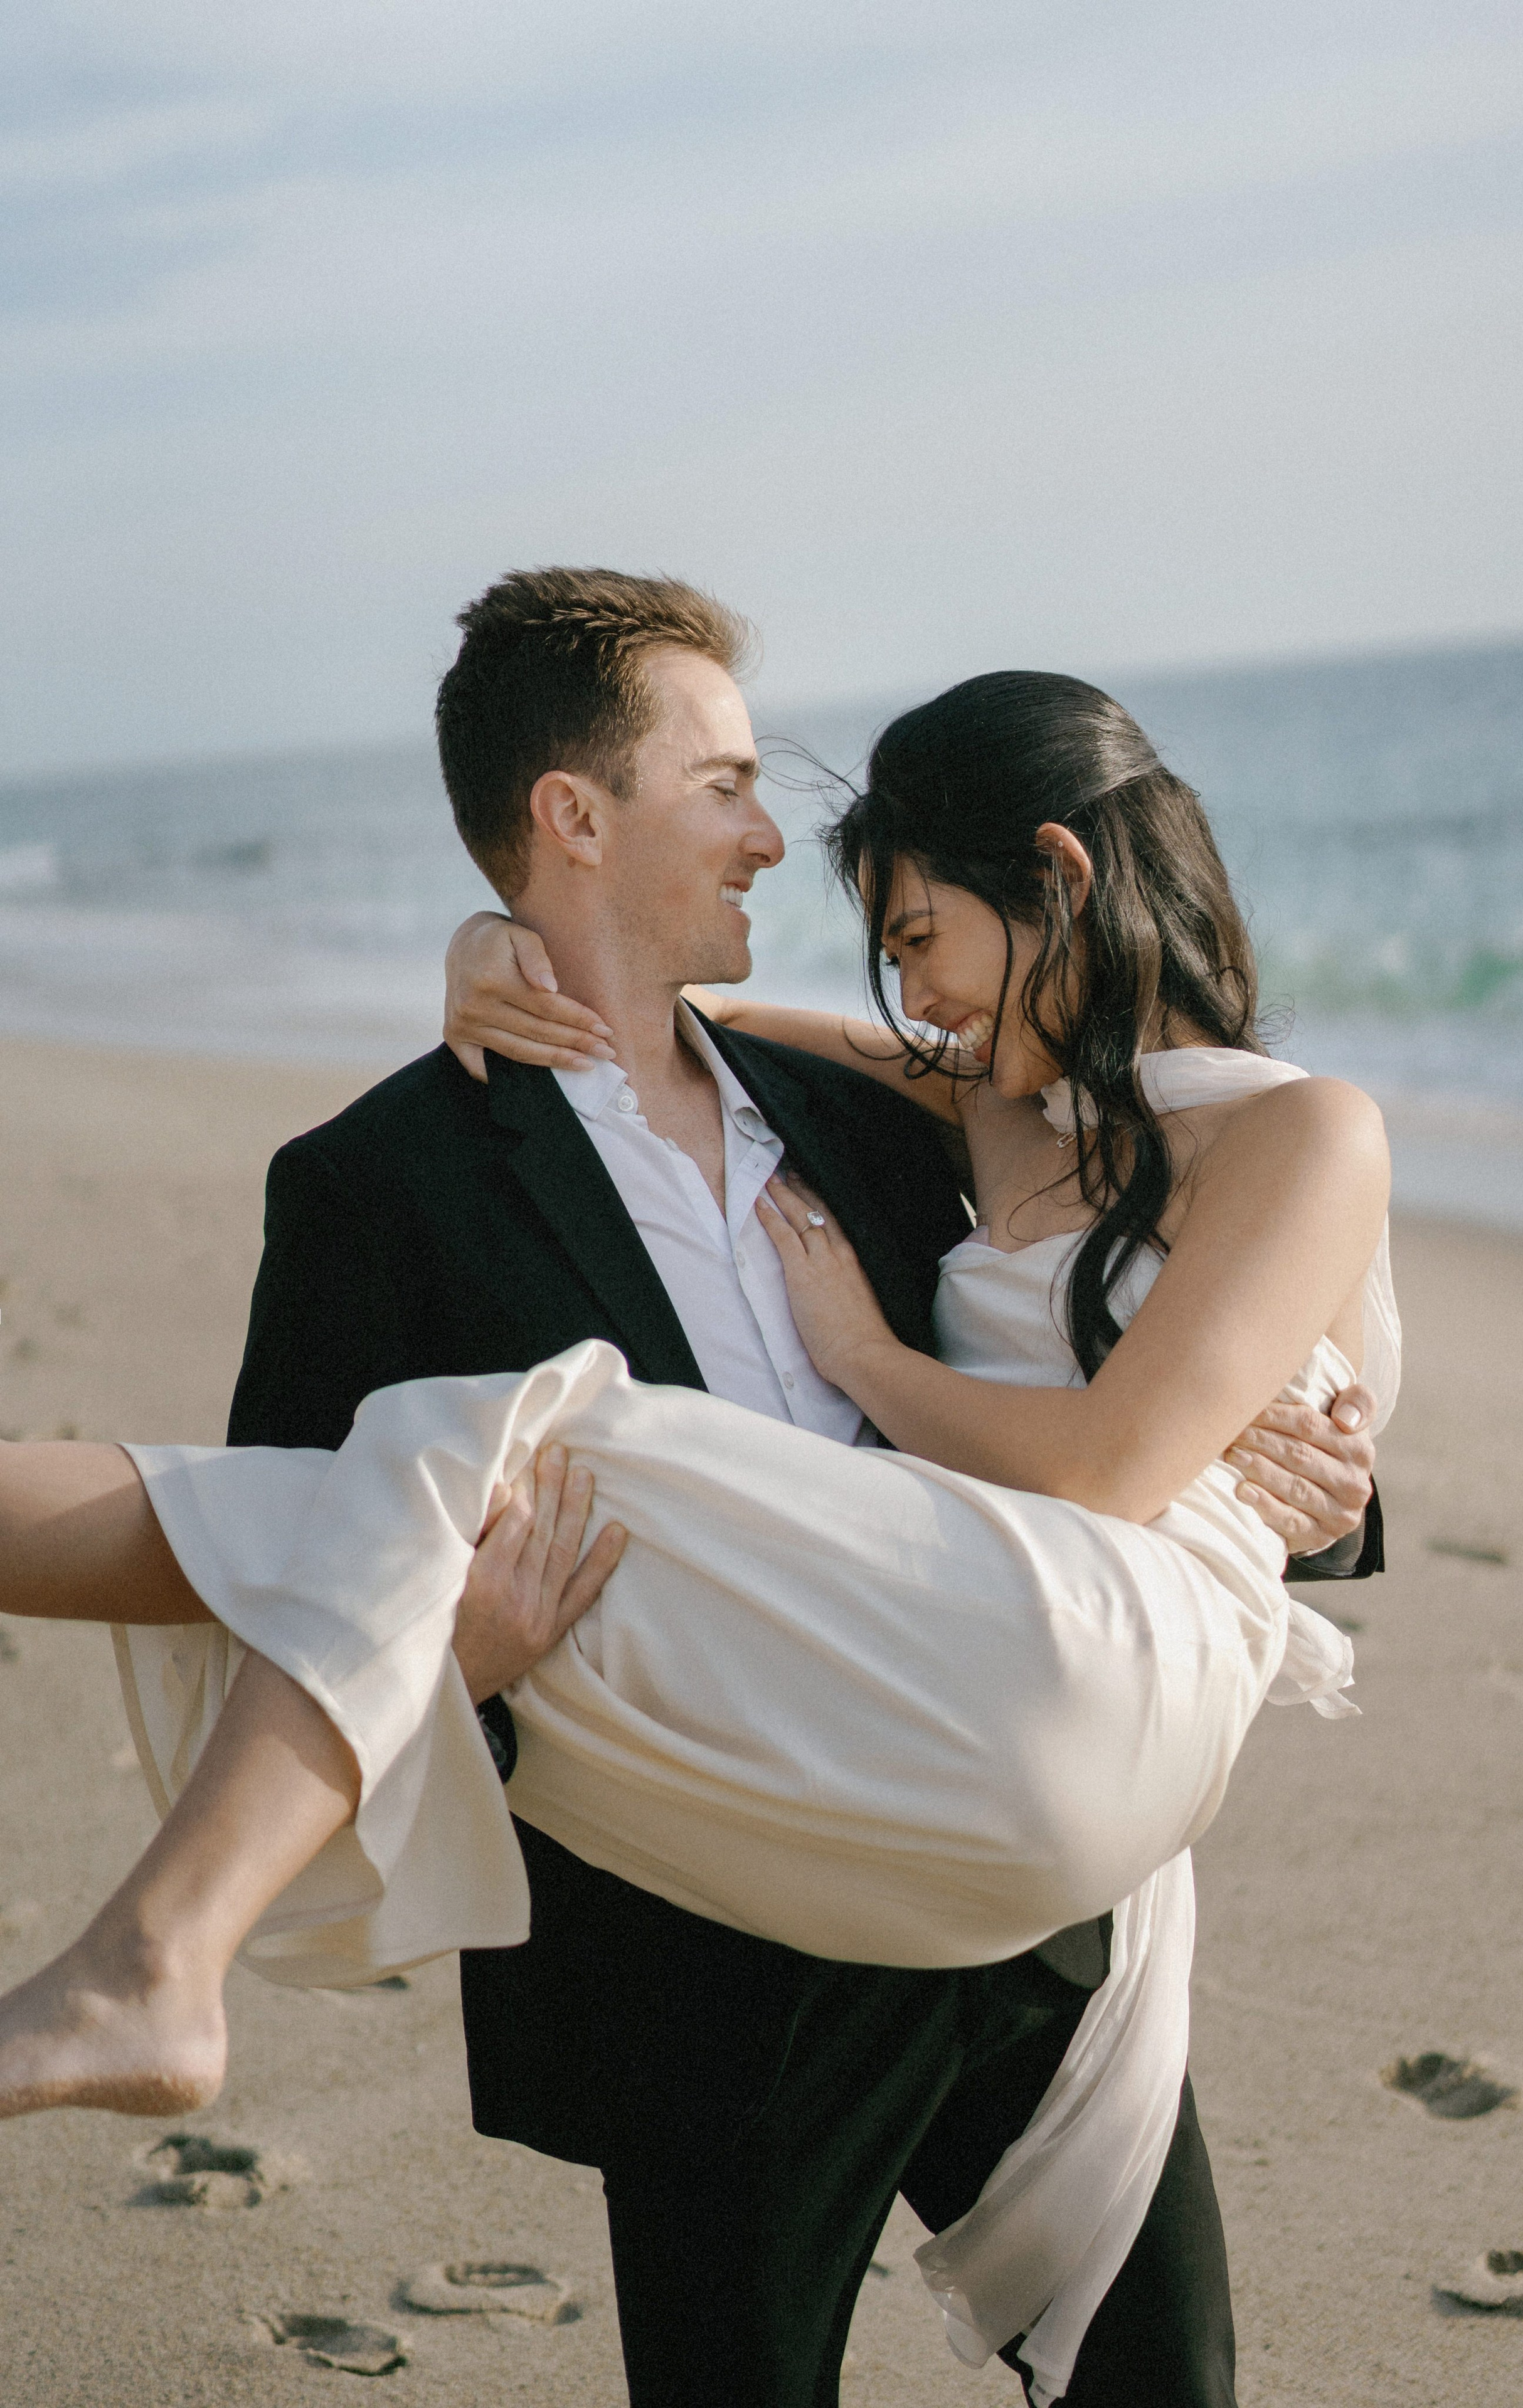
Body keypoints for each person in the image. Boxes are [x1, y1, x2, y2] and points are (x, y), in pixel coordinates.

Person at [0, 571, 1388, 2408]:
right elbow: (299, 1553)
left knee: (1168, 2387)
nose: (768, 829)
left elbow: (1155, 1322)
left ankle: (158, 1951)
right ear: (572, 818)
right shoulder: (387, 1181)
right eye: (724, 780)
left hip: (1035, 1899)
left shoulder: (889, 1121)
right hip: (710, 1943)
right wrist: (461, 1675)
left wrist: (1327, 1487)